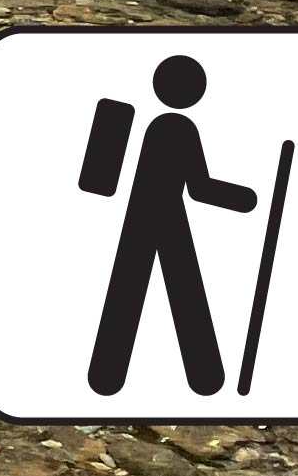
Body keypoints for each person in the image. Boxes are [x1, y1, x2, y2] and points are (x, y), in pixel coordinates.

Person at [89, 54, 258, 396]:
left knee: (130, 291)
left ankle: (106, 378)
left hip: (141, 214)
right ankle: (205, 378)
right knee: (185, 291)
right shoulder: (178, 128)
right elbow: (200, 188)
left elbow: (98, 178)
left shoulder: (124, 113)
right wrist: (246, 199)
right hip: (165, 216)